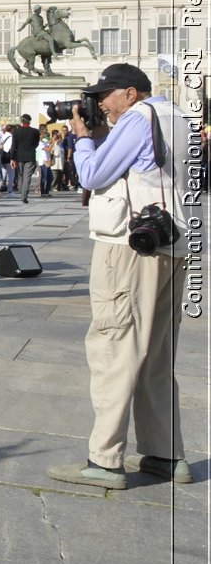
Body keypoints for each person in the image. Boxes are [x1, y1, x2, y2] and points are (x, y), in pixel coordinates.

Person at [49, 63, 195, 489]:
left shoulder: (138, 118)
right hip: (173, 242)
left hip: (131, 249)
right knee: (156, 352)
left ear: (130, 93)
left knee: (115, 346)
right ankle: (166, 454)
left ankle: (106, 460)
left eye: (105, 96)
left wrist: (82, 140)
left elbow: (93, 176)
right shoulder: (180, 117)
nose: (101, 105)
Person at [9, 113, 41, 203]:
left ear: (22, 121)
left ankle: (22, 193)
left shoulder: (16, 131)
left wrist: (12, 158)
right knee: (27, 177)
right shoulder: (35, 131)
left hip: (19, 156)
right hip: (30, 156)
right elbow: (36, 144)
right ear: (29, 121)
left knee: (20, 176)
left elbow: (13, 146)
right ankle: (24, 196)